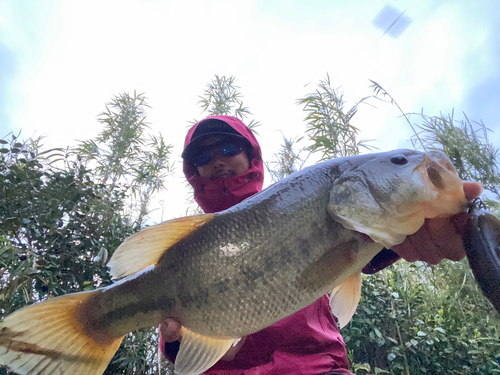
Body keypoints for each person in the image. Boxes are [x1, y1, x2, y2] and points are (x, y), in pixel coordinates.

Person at [159, 115, 482, 374]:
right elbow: (178, 349)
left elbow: (377, 240)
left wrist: (432, 224)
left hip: (317, 369)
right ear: (194, 171)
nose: (217, 160)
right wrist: (177, 341)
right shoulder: (182, 247)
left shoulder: (308, 204)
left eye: (229, 150)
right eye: (203, 155)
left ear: (251, 155)